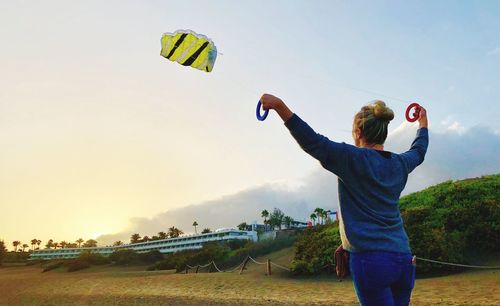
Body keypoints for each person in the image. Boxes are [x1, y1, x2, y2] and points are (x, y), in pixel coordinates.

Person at [260, 94, 429, 306]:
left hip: (371, 261)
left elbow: (312, 141)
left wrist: (279, 106)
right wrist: (422, 123)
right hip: (403, 259)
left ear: (358, 133)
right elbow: (419, 151)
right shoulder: (400, 163)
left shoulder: (351, 158)